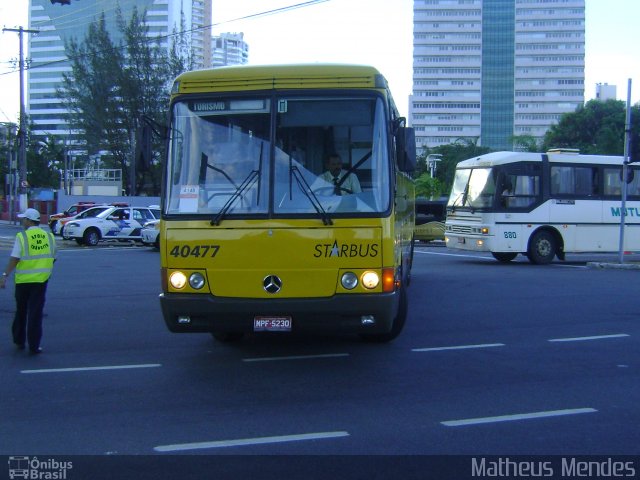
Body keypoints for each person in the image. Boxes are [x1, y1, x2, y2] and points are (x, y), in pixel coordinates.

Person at [0, 208, 57, 354]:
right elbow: (53, 257)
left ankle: (19, 340)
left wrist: (5, 275)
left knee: (21, 311)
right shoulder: (49, 236)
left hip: (23, 281)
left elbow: (15, 258)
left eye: (24, 219)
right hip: (40, 281)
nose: (22, 221)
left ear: (29, 221)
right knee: (35, 313)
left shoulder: (22, 236)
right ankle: (34, 345)